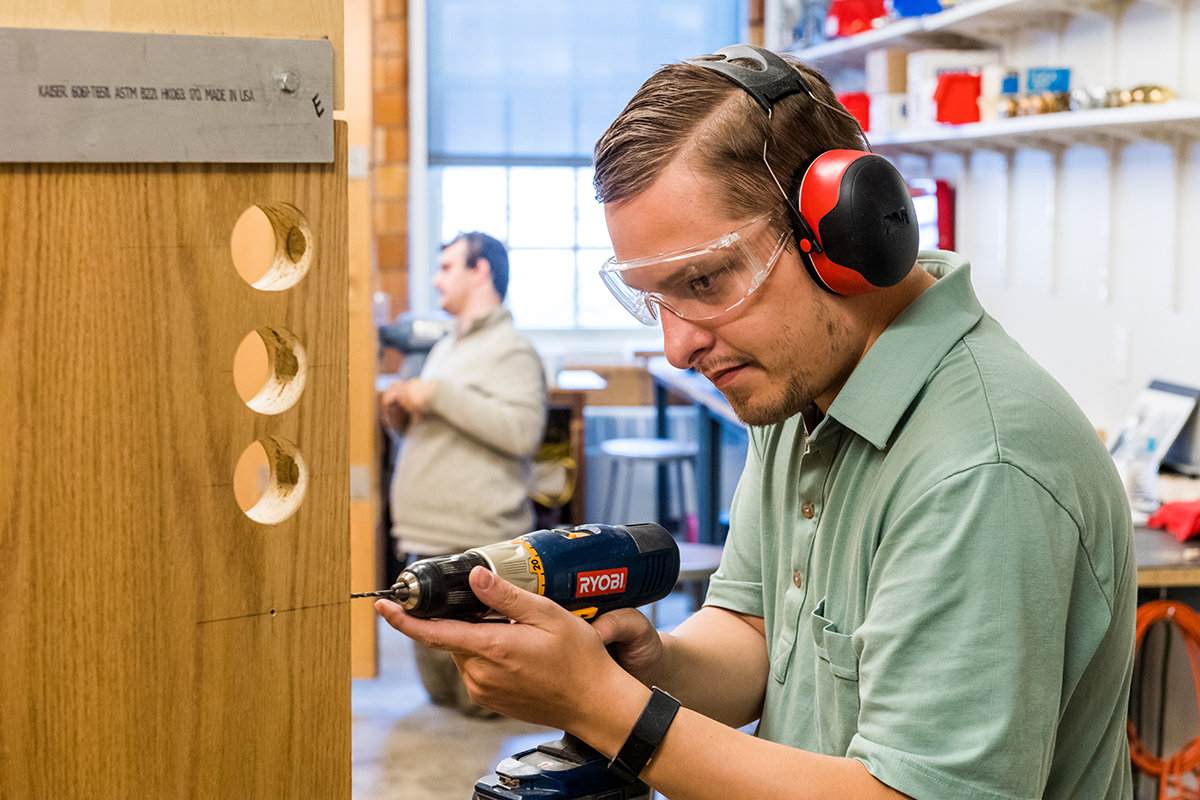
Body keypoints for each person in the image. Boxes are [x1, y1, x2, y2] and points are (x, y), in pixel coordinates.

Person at [377, 46, 1136, 798]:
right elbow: (757, 635)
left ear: (843, 235)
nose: (678, 347)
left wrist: (601, 706)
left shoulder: (983, 468)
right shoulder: (801, 389)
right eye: (656, 300)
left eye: (704, 280)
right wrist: (650, 665)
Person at [381, 230, 546, 716]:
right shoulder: (447, 345)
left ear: (481, 271)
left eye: (447, 267)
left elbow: (521, 433)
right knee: (441, 697)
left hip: (474, 549)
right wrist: (401, 418)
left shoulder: (512, 349)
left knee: (481, 703)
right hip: (426, 539)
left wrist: (434, 396)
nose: (435, 280)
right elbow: (436, 437)